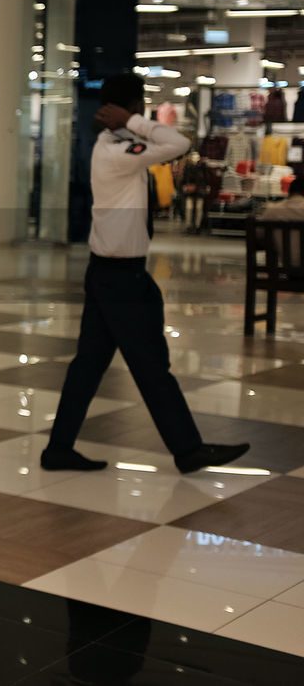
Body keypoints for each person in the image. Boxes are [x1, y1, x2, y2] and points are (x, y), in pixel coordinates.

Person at [41, 74, 249, 475]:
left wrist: (128, 122)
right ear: (130, 107)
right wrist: (134, 121)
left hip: (109, 273)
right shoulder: (119, 150)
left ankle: (58, 448)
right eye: (139, 105)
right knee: (151, 365)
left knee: (89, 365)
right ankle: (188, 450)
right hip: (120, 278)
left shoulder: (115, 147)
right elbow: (179, 144)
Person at [178, 152, 208, 234]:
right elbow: (184, 180)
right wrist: (186, 187)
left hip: (199, 191)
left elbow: (205, 180)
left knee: (198, 208)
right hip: (190, 192)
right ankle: (188, 226)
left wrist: (199, 187)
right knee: (189, 208)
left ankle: (197, 226)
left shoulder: (202, 168)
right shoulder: (187, 168)